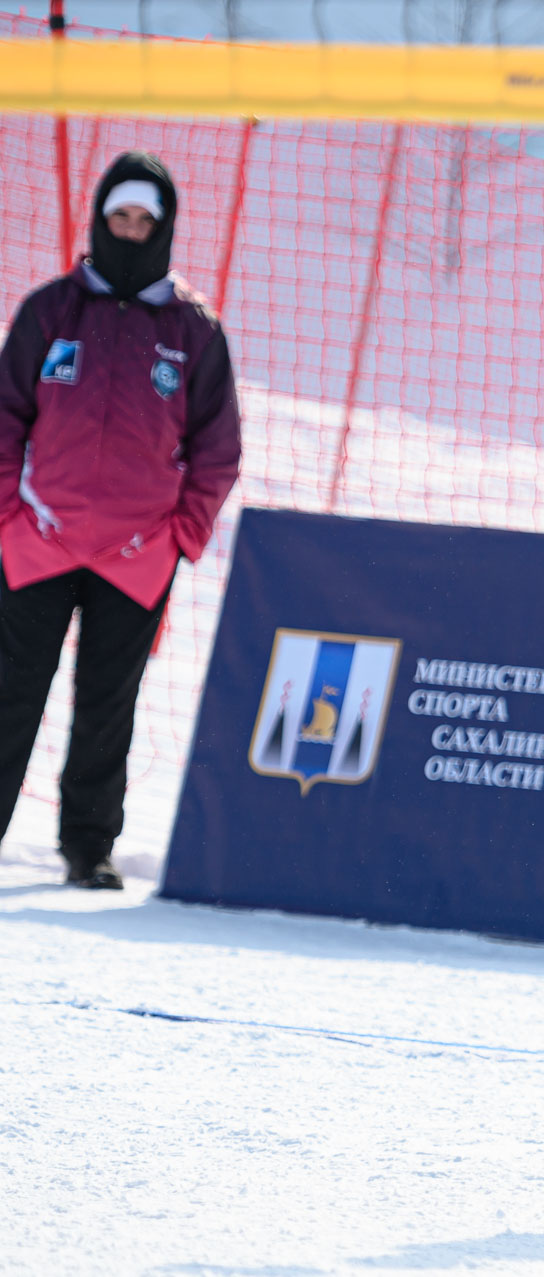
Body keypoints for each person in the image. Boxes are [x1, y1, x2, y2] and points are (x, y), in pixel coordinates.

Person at [0, 151, 242, 889]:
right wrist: (10, 518)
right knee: (10, 691)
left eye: (146, 219)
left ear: (164, 227)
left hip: (136, 556)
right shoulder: (51, 309)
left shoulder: (194, 329)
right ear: (101, 219)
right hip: (36, 545)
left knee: (109, 704)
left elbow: (218, 450)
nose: (131, 230)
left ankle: (88, 844)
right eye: (120, 216)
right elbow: (6, 419)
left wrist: (179, 539)